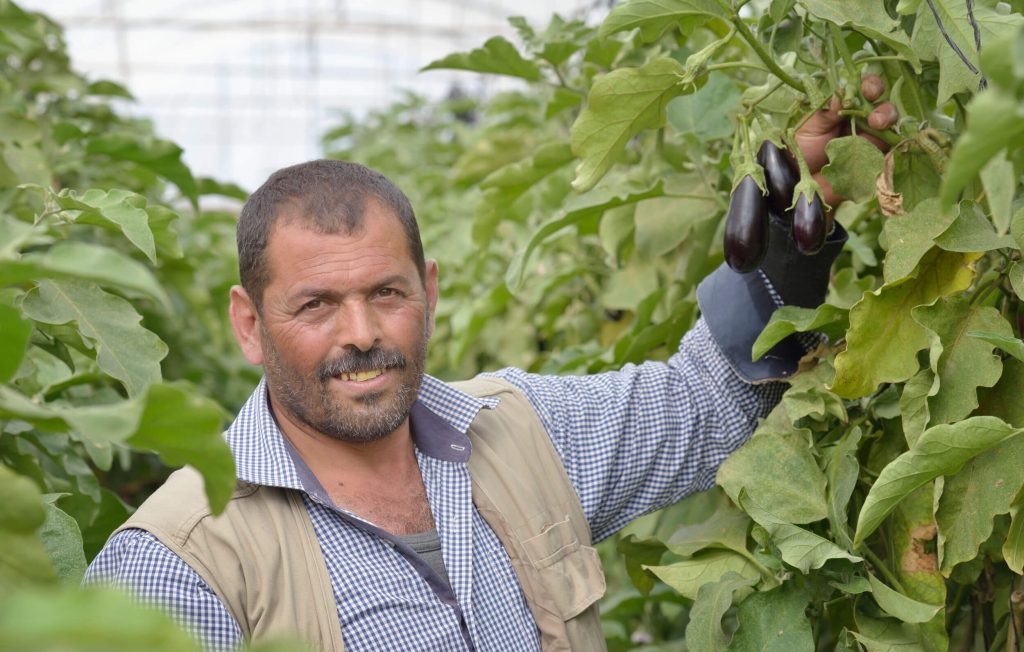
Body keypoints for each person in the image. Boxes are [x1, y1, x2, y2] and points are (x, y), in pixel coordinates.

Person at [84, 80, 897, 651]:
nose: (362, 333)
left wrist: (787, 256)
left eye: (388, 292)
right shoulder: (180, 560)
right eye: (316, 305)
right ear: (248, 325)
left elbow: (700, 406)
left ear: (429, 292)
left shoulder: (517, 432)